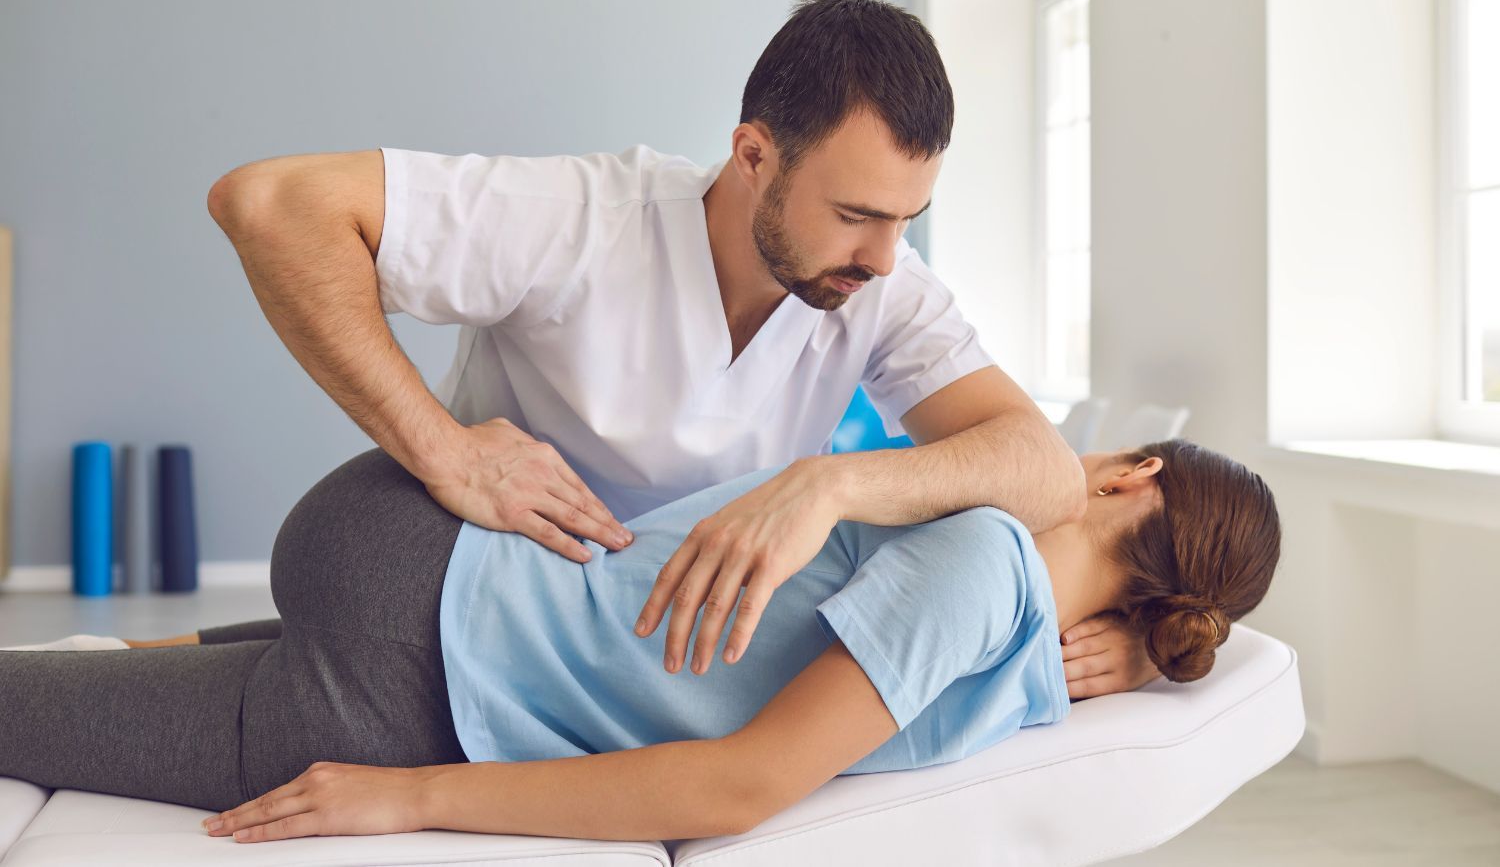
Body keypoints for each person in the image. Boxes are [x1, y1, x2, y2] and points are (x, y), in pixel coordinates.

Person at [204, 0, 1159, 698]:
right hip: (474, 602)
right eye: (857, 213)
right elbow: (271, 206)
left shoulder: (881, 282)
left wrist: (827, 484)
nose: (883, 255)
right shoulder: (582, 217)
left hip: (660, 650)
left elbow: (1040, 467)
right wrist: (442, 451)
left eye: (909, 218)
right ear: (754, 156)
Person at [0, 438, 1280, 844]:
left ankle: (147, 660)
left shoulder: (984, 572)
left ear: (1128, 473)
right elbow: (743, 779)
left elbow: (740, 779)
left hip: (414, 609)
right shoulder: (993, 586)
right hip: (411, 641)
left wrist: (410, 796)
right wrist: (407, 795)